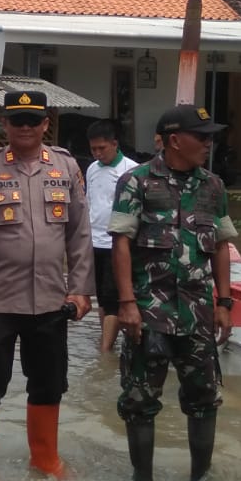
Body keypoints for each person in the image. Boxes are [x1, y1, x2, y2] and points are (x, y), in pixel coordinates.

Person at [0, 91, 92, 481]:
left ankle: (45, 459)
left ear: (46, 123)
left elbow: (80, 233)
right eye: (17, 120)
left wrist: (80, 289)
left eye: (33, 120)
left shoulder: (66, 167)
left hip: (50, 298)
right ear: (4, 124)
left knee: (49, 381)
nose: (25, 127)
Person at [110, 104, 237, 481]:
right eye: (202, 136)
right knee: (139, 400)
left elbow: (220, 246)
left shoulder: (212, 186)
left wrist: (225, 303)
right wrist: (128, 304)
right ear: (175, 140)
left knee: (204, 397)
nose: (208, 144)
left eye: (210, 136)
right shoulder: (138, 182)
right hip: (149, 313)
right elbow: (121, 244)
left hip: (198, 313)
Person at [85, 119, 139, 354]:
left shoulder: (132, 170)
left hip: (118, 243)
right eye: (93, 149)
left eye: (102, 148)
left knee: (114, 296)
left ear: (115, 144)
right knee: (102, 297)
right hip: (93, 241)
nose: (97, 154)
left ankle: (104, 352)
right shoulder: (91, 169)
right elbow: (90, 203)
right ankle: (108, 342)